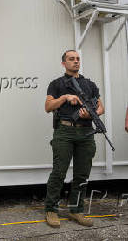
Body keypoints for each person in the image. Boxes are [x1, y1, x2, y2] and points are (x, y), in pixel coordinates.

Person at [44, 50, 104, 228]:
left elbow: (101, 108)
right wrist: (64, 98)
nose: (76, 62)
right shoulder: (56, 84)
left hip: (86, 133)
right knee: (59, 172)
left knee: (82, 174)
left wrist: (90, 114)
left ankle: (76, 210)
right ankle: (51, 209)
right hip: (65, 131)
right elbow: (48, 106)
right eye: (71, 59)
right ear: (63, 63)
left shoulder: (90, 84)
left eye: (78, 59)